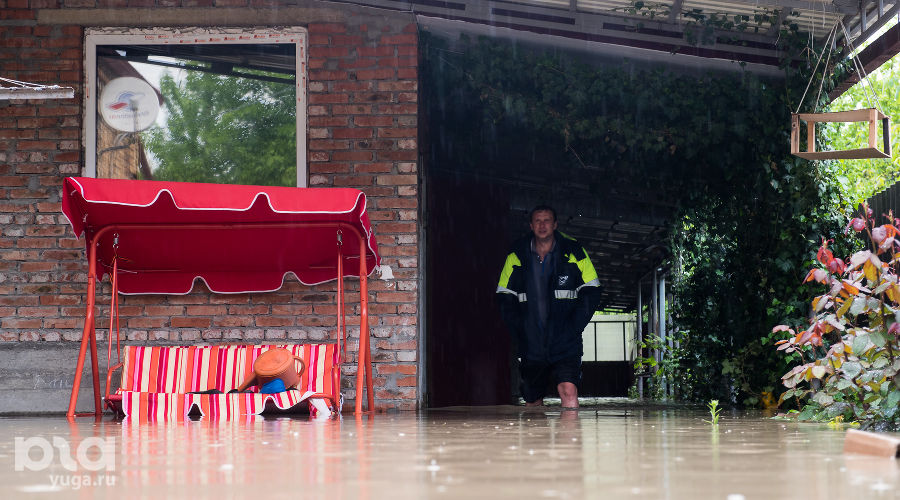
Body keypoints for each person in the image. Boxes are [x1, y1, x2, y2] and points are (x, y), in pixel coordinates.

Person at [496, 205, 601, 408]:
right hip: (531, 342)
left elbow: (592, 290)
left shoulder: (574, 251)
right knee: (532, 399)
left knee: (568, 390)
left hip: (565, 340)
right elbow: (504, 296)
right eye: (538, 221)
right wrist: (521, 329)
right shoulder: (516, 254)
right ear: (531, 225)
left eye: (546, 221)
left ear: (555, 224)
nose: (542, 225)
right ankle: (537, 430)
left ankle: (570, 430)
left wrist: (573, 327)